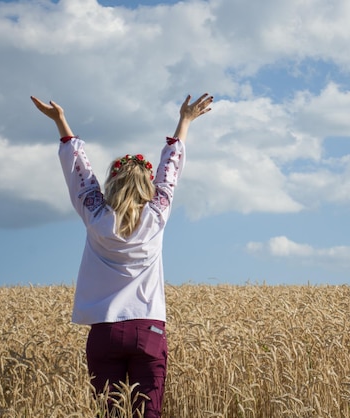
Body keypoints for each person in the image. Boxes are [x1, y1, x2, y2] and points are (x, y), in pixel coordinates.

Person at [30, 93, 213, 418]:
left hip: (105, 331)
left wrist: (61, 121)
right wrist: (185, 121)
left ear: (112, 183)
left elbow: (79, 174)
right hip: (149, 330)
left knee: (110, 415)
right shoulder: (157, 214)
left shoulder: (95, 214)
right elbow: (170, 171)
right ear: (147, 186)